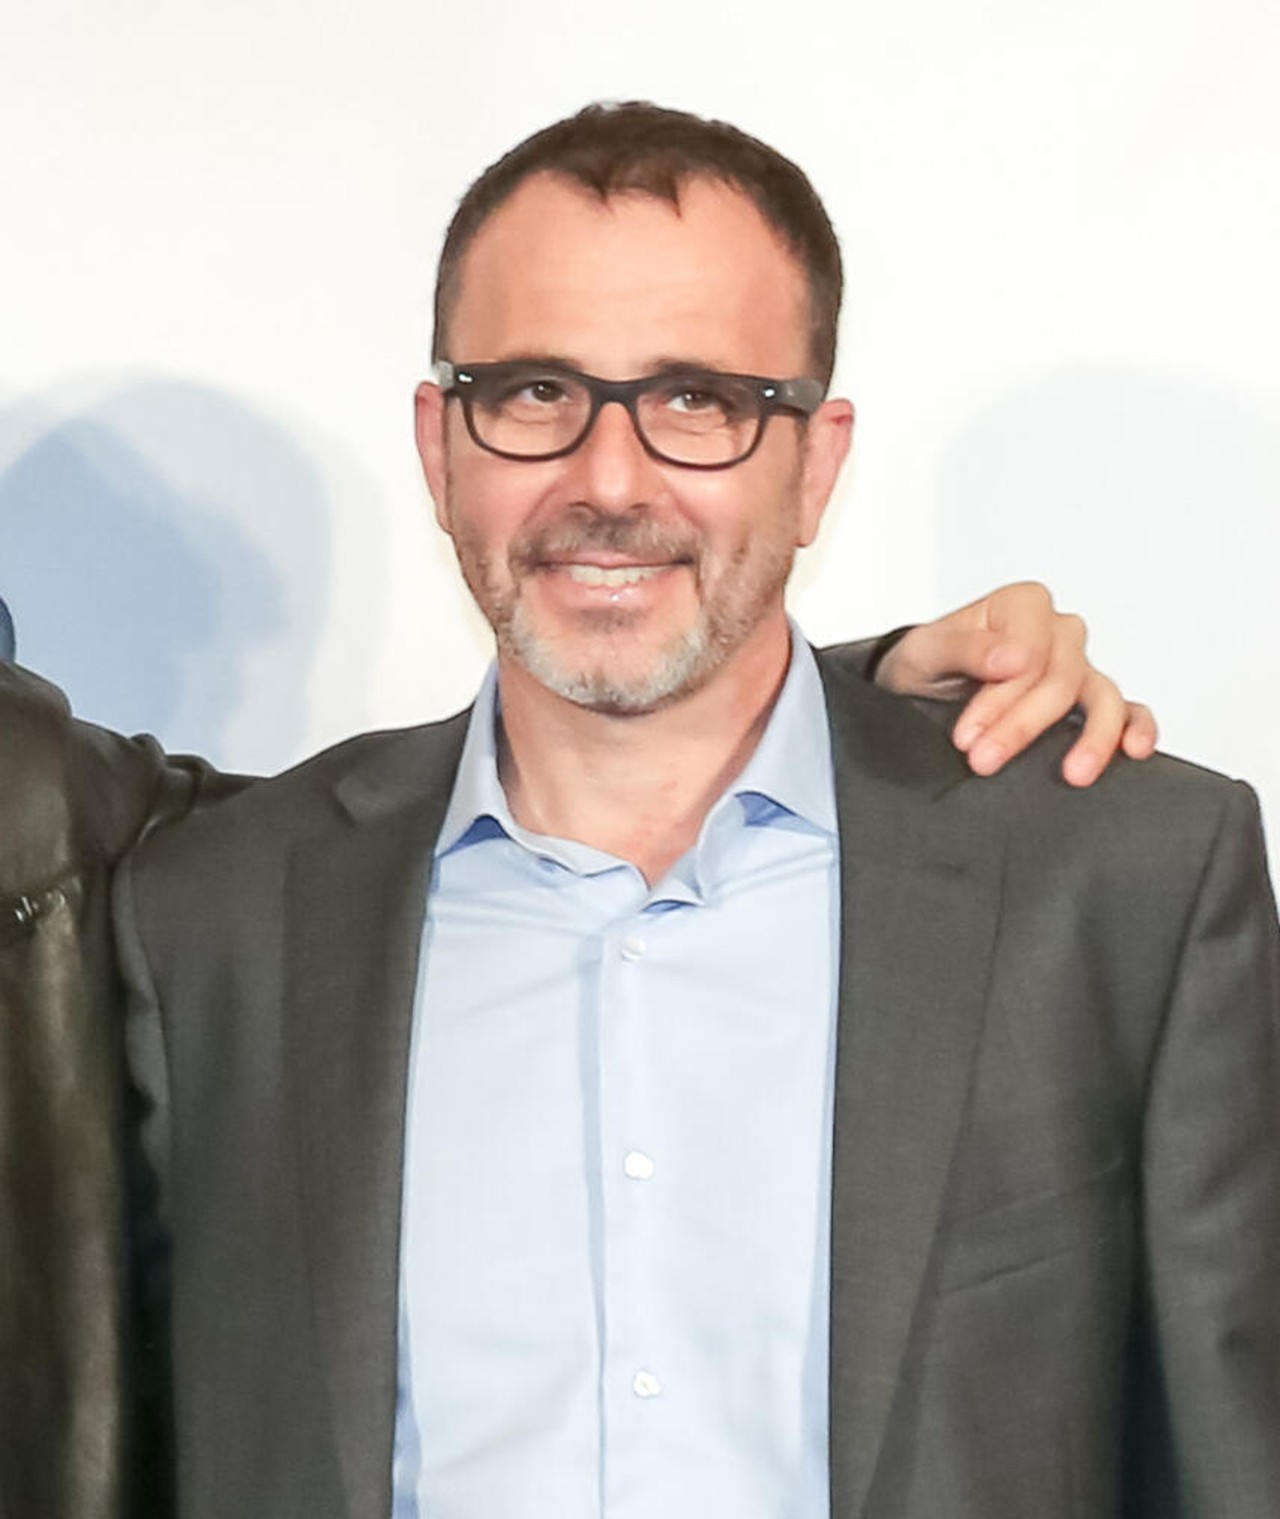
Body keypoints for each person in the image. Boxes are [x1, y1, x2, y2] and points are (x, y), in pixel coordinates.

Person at [103, 103, 1280, 1517]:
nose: (609, 481)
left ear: (817, 463)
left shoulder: (1124, 883)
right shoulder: (210, 917)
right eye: (535, 391)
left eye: (699, 402)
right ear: (439, 444)